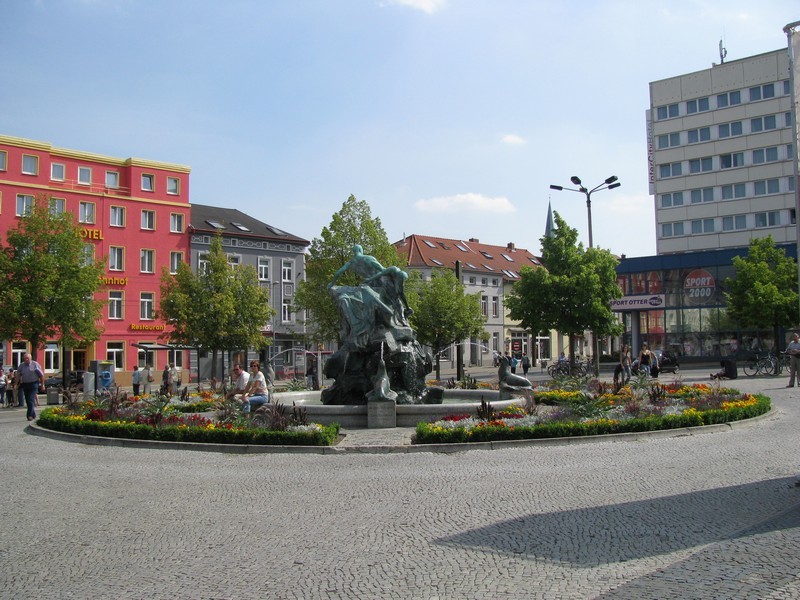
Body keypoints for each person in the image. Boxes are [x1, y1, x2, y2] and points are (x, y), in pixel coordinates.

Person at [17, 353, 44, 421]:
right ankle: (33, 414)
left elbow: (41, 375)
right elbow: (18, 375)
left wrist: (42, 384)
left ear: (30, 358)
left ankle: (29, 415)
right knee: (28, 400)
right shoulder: (21, 365)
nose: (26, 360)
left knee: (31, 399)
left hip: (34, 384)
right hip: (25, 384)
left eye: (27, 358)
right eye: (25, 358)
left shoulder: (35, 364)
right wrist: (16, 383)